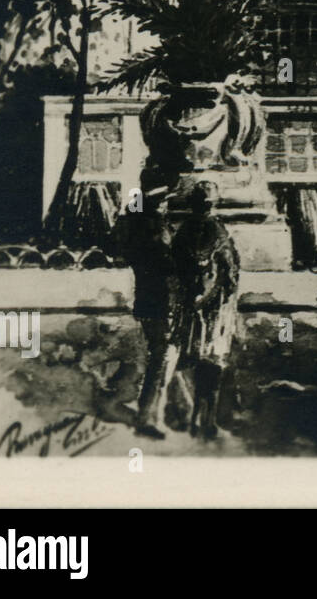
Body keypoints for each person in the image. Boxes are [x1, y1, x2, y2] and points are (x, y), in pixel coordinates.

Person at [171, 181, 240, 440]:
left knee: (194, 361)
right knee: (210, 363)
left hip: (193, 308)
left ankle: (197, 416)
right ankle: (203, 417)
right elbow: (231, 274)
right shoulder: (218, 232)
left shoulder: (185, 231)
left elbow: (174, 270)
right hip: (211, 310)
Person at [114, 168, 179, 440]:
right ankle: (147, 416)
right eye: (164, 197)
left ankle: (177, 407)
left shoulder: (134, 218)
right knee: (162, 356)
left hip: (146, 295)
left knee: (163, 352)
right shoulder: (152, 223)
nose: (167, 202)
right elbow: (166, 258)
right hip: (162, 297)